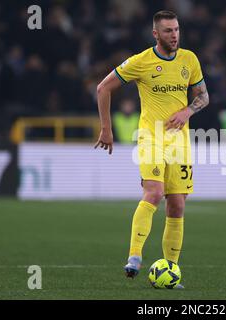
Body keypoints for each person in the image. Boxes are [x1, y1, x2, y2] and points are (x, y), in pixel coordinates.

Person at [94, 10, 209, 287]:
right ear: (156, 34)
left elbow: (203, 96)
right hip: (151, 137)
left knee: (177, 204)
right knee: (154, 192)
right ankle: (134, 256)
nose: (174, 35)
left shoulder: (189, 59)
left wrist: (186, 112)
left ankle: (170, 270)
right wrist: (106, 129)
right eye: (168, 31)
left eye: (177, 29)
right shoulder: (141, 62)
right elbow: (103, 88)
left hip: (179, 141)